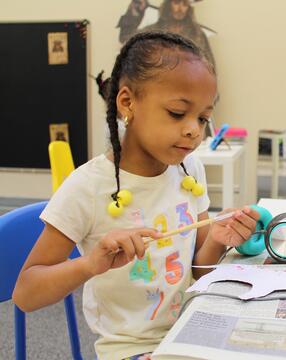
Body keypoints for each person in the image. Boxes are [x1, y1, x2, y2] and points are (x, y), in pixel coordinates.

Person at [12, 31, 259, 360]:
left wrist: (216, 238)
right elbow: (26, 294)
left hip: (190, 331)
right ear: (127, 102)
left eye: (203, 118)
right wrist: (90, 264)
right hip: (132, 350)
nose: (193, 130)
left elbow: (201, 272)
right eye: (176, 113)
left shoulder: (189, 170)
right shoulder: (87, 187)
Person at [117, 0, 215, 67]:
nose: (180, 9)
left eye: (184, 4)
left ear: (188, 8)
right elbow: (126, 39)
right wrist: (135, 12)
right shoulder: (154, 30)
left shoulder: (197, 34)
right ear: (169, 4)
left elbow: (209, 65)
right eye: (176, 2)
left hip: (187, 87)